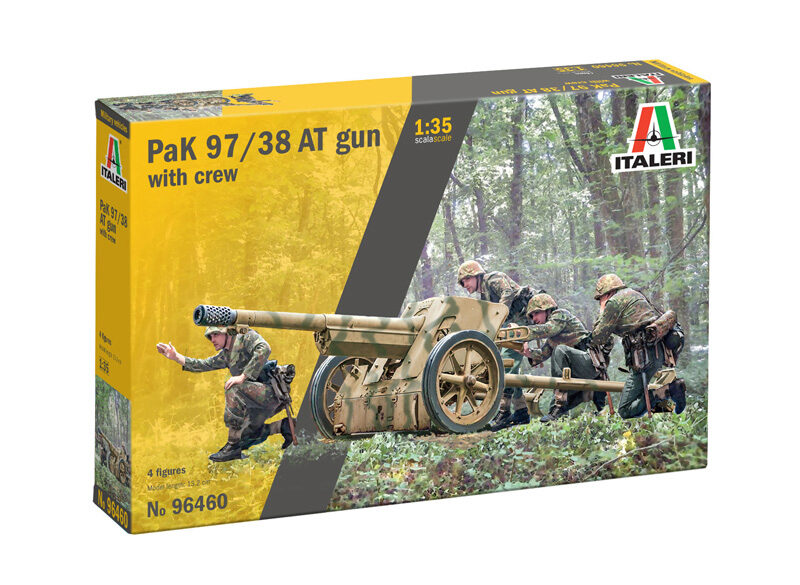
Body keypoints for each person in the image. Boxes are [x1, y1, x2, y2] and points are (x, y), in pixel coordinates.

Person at [156, 325, 294, 462]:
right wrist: (176, 357)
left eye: (216, 334)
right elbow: (203, 364)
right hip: (255, 401)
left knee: (234, 387)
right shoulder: (226, 355)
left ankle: (232, 447)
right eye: (210, 337)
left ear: (226, 332)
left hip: (271, 394)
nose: (212, 339)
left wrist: (243, 376)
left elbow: (264, 348)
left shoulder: (244, 336)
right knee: (245, 437)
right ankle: (285, 426)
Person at [590, 274, 686, 418]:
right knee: (639, 396)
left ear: (608, 293)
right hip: (657, 352)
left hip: (643, 357)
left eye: (600, 298)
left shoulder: (614, 302)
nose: (600, 302)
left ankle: (671, 390)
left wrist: (602, 311)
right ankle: (669, 400)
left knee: (625, 410)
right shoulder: (635, 294)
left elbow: (597, 338)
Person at [457, 260, 530, 430]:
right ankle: (521, 411)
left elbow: (508, 292)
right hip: (510, 326)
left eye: (466, 280)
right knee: (505, 364)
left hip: (521, 322)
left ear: (476, 275)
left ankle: (504, 412)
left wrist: (497, 317)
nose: (465, 285)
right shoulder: (484, 295)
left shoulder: (493, 278)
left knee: (505, 363)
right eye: (462, 282)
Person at [521, 293, 607, 421]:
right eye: (532, 316)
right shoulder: (553, 338)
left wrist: (524, 333)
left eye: (536, 313)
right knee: (552, 415)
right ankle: (566, 407)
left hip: (590, 364)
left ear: (547, 309)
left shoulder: (560, 315)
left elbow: (548, 329)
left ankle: (563, 404)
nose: (534, 318)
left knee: (559, 350)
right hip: (575, 374)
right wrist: (528, 353)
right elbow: (542, 354)